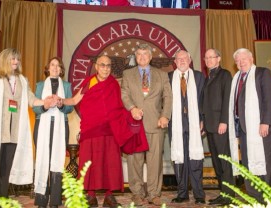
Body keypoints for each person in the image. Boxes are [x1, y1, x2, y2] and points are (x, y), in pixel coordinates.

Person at [63, 55, 148, 208]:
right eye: (102, 65)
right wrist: (61, 101)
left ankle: (110, 196)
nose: (106, 68)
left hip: (110, 130)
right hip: (91, 129)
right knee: (90, 162)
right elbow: (75, 100)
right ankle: (90, 196)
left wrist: (133, 113)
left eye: (108, 65)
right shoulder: (90, 82)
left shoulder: (114, 84)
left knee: (111, 162)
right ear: (96, 66)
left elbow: (119, 107)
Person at [0, 48, 55, 197]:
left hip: (14, 134)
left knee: (6, 170)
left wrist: (45, 102)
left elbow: (31, 99)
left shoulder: (22, 80)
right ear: (4, 60)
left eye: (17, 59)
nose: (16, 62)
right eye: (12, 59)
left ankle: (2, 200)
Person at [121, 43, 172, 206]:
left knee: (155, 161)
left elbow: (168, 97)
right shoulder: (127, 74)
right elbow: (124, 94)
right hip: (134, 124)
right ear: (135, 58)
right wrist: (132, 108)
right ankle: (136, 193)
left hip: (156, 123)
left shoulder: (162, 75)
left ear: (150, 57)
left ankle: (154, 194)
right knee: (134, 160)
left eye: (145, 54)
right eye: (139, 55)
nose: (142, 57)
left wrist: (165, 116)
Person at [229, 48, 271, 202]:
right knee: (248, 163)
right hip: (243, 129)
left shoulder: (263, 73)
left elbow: (269, 99)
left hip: (262, 128)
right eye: (238, 60)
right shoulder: (236, 78)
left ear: (251, 58)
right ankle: (254, 196)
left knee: (266, 163)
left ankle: (269, 197)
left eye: (244, 59)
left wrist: (265, 122)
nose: (241, 62)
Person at [32, 57, 74, 208]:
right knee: (43, 159)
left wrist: (62, 104)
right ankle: (42, 200)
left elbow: (70, 108)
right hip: (41, 125)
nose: (55, 68)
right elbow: (34, 107)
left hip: (61, 125)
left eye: (58, 66)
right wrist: (45, 105)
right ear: (48, 68)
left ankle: (55, 200)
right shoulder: (40, 85)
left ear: (61, 70)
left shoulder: (67, 86)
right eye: (52, 65)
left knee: (57, 160)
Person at [168, 50, 205, 205]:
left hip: (195, 123)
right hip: (176, 124)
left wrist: (203, 119)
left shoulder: (199, 76)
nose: (182, 61)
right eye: (179, 59)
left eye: (185, 58)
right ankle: (182, 193)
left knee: (195, 160)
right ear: (175, 61)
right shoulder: (169, 77)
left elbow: (204, 99)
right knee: (179, 160)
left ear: (190, 60)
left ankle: (199, 194)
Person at [201, 48, 234, 205]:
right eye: (206, 58)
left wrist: (224, 121)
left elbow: (228, 99)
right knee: (216, 161)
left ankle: (229, 196)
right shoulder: (208, 77)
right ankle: (223, 193)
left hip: (220, 126)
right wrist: (203, 121)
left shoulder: (225, 74)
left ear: (219, 58)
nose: (208, 60)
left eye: (211, 57)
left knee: (224, 162)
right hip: (210, 126)